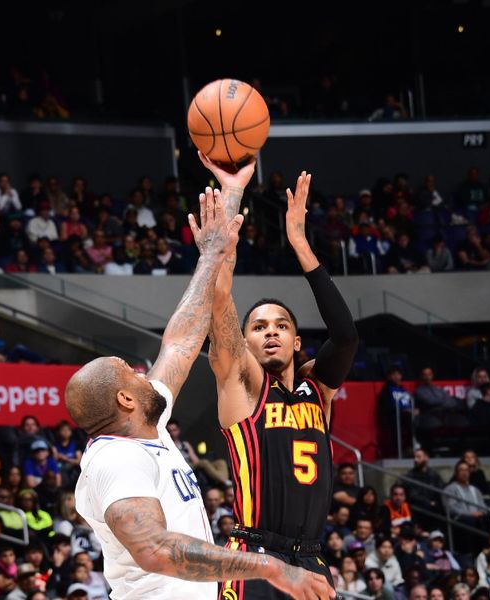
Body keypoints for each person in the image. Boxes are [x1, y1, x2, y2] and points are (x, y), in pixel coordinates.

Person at [66, 188, 332, 600]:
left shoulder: (144, 424)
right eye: (130, 372)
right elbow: (155, 549)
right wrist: (270, 567)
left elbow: (182, 341)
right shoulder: (116, 460)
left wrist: (220, 225)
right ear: (125, 400)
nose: (143, 372)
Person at [199, 154, 358, 600]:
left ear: (296, 343)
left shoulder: (316, 391)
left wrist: (300, 245)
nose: (270, 332)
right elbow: (220, 302)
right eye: (259, 326)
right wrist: (221, 243)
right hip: (253, 556)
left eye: (281, 325)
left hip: (311, 559)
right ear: (244, 342)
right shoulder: (241, 386)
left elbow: (345, 337)